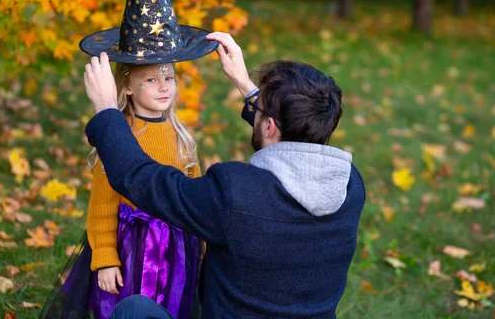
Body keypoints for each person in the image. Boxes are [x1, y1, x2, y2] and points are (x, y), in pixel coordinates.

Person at [83, 31, 366, 319]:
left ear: (269, 126)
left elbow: (141, 179)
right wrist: (245, 85)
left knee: (133, 309)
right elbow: (290, 134)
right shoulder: (350, 186)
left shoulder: (234, 194)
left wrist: (107, 110)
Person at [39, 0, 219, 319]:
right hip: (133, 244)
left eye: (168, 76)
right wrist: (105, 256)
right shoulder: (118, 135)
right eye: (151, 79)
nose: (163, 85)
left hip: (176, 244)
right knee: (129, 302)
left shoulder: (181, 134)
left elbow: (194, 192)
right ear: (130, 88)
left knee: (173, 301)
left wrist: (201, 242)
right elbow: (102, 203)